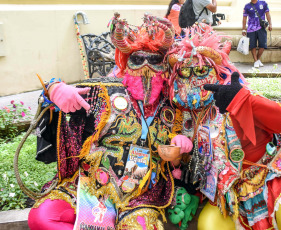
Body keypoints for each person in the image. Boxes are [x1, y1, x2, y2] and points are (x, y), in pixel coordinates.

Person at [167, 23, 281, 230]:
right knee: (208, 225)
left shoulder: (233, 97)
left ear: (216, 71)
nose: (193, 80)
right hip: (229, 193)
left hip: (272, 177)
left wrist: (242, 100)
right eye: (184, 73)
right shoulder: (183, 117)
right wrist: (178, 156)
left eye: (199, 70)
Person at [27, 14, 193, 230]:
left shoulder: (174, 108)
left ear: (165, 69)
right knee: (43, 217)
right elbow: (59, 96)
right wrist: (54, 89)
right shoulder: (104, 93)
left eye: (154, 62)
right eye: (137, 60)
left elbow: (181, 168)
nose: (146, 69)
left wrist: (181, 151)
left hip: (142, 194)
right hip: (93, 184)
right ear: (126, 64)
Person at [242, 0, 272, 68]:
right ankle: (255, 61)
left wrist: (270, 24)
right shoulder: (247, 6)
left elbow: (267, 14)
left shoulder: (263, 3)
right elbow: (244, 18)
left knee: (262, 45)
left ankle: (258, 59)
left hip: (261, 28)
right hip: (251, 29)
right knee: (253, 45)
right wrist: (243, 29)